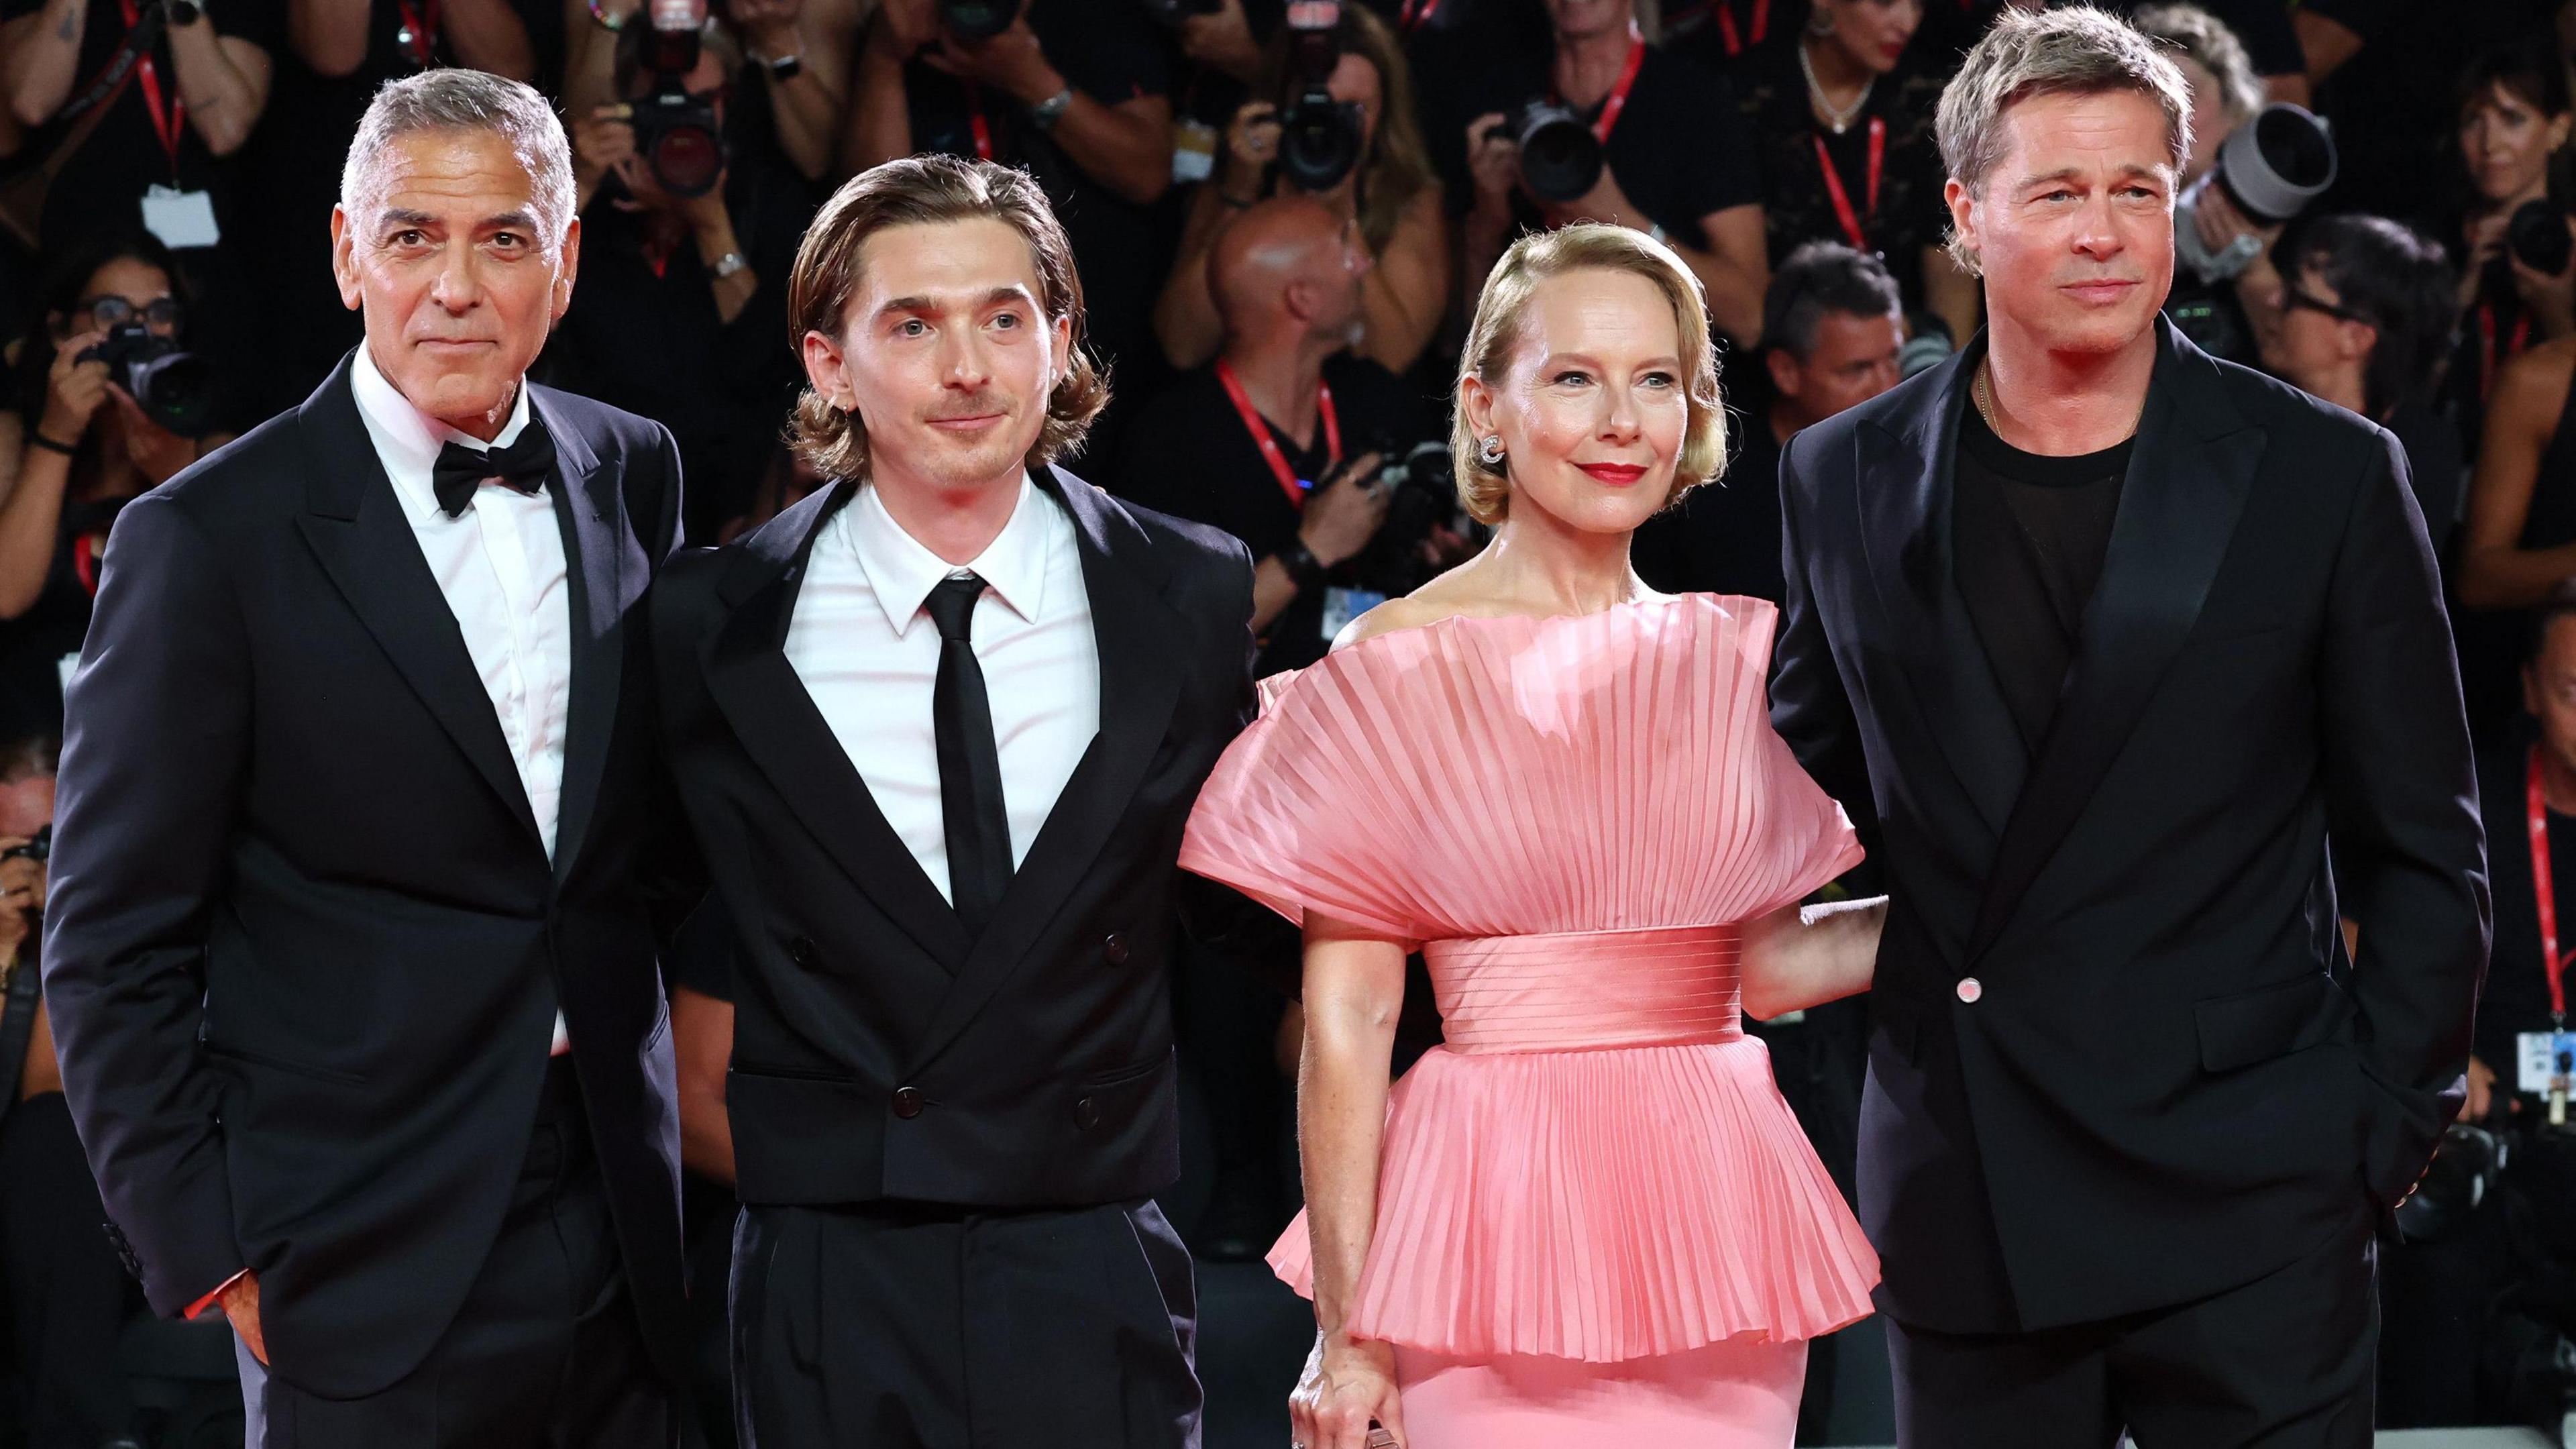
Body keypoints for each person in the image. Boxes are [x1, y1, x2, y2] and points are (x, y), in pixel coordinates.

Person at [1772, 10, 2485, 1446]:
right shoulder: (1841, 474)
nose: (2104, 233)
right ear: (1969, 217)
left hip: (2253, 1194)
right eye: (2057, 193)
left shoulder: (2326, 476)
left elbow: (2424, 848)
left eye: (2138, 191)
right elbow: (1798, 799)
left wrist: (2371, 1137)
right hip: (1975, 1188)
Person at [40, 70, 700, 1446]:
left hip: (623, 1218)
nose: (455, 287)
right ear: (348, 256)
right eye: (413, 238)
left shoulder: (634, 468)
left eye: (503, 239)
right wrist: (210, 1249)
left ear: (564, 266)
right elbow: (109, 941)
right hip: (351, 1244)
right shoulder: (208, 539)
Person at [1182, 221, 1887, 1448]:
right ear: (1486, 409)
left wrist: (1991, 892)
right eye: (1574, 377)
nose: (1622, 419)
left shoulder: (1734, 657)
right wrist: (1346, 1334)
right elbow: (1349, 1024)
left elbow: (1772, 967)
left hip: (1713, 1218)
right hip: (1484, 1225)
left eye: (1656, 379)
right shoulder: (1390, 661)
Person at [651, 152, 1253, 1448]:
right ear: (828, 363)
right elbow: (618, 916)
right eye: (911, 325)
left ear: (1058, 341)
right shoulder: (710, 626)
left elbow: (1246, 926)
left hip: (1093, 1248)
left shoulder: (1190, 595)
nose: (966, 367)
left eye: (1002, 317)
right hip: (829, 1268)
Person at [1118, 196, 1434, 678]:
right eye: (1348, 250)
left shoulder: (1373, 396)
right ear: (1302, 299)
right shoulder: (1172, 441)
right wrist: (1310, 552)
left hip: (1386, 710)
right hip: (1249, 730)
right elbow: (1169, 645)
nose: (1365, 264)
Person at [845, 0, 1179, 426]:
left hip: (1095, 321)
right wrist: (884, 55)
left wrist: (1031, 79)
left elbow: (1147, 173)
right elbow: (866, 210)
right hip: (933, 325)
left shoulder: (1099, 18)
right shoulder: (907, 24)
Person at [551, 13, 810, 538]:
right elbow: (526, 323)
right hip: (600, 497)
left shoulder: (763, 205)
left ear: (730, 106)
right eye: (660, 109)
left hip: (736, 502)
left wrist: (711, 223)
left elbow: (765, 371)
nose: (682, 125)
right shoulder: (591, 217)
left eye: (702, 105)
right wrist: (580, 181)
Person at [0, 234, 229, 739]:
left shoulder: (215, 449)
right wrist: (56, 437)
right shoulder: (16, 442)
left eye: (159, 313)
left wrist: (175, 476)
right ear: (62, 330)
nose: (138, 333)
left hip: (160, 734)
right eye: (111, 312)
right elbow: (5, 595)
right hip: (30, 739)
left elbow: (244, 606)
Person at [1155, 4, 1449, 378]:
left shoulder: (1408, 196)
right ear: (1280, 105)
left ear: (1386, 113)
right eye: (1316, 107)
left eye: (1353, 110)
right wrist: (1238, 198)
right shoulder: (1246, 180)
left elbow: (1392, 357)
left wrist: (1342, 217)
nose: (1329, 125)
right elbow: (1182, 345)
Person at [1460, 0, 1771, 346]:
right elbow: (1463, 345)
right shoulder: (1502, 99)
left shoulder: (1695, 103)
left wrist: (1621, 219)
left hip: (1661, 362)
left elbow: (1750, 317)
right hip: (1540, 364)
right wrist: (1488, 221)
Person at [0, 735, 139, 1449]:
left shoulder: (139, 927)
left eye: (52, 840)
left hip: (124, 1209)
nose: (35, 865)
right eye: (15, 846)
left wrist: (72, 929)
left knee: (54, 1132)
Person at [1633, 238, 1900, 602]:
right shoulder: (1706, 494)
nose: (1888, 387)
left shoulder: (1921, 463)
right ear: (1786, 371)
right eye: (1857, 371)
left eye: (1892, 361)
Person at [1732, 0, 1980, 345]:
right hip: (1790, 346)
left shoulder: (1928, 97)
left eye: (1918, 6)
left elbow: (1948, 260)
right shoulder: (1747, 96)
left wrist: (1949, 378)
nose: (1906, 23)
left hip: (1907, 339)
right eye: (1886, 3)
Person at [2253, 215, 2464, 558]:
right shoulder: (2255, 415)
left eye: (2295, 295)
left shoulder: (2416, 457)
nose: (2274, 300)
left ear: (2354, 338)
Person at [2447, 40, 2573, 456]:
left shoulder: (2574, 247)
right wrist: (2456, 300)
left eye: (2512, 119)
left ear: (2557, 129)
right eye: (2473, 121)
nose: (2489, 144)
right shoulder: (2437, 243)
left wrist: (2555, 308)